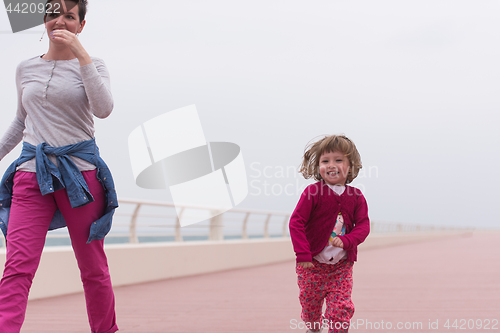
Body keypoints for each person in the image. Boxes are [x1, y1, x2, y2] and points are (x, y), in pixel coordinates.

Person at [0, 0, 118, 332]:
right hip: (30, 175)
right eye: (54, 14)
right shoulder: (25, 68)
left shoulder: (94, 65)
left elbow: (104, 109)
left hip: (80, 179)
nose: (60, 21)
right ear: (44, 19)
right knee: (17, 267)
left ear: (81, 25)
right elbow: (20, 122)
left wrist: (82, 57)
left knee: (93, 269)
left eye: (69, 16)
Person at [289, 135, 370, 333]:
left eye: (339, 160)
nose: (331, 165)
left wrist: (348, 240)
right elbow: (296, 223)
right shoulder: (312, 193)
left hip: (341, 268)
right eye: (325, 161)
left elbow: (363, 225)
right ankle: (314, 327)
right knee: (310, 307)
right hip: (311, 265)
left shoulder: (356, 197)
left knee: (341, 309)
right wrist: (303, 254)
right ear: (318, 167)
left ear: (351, 166)